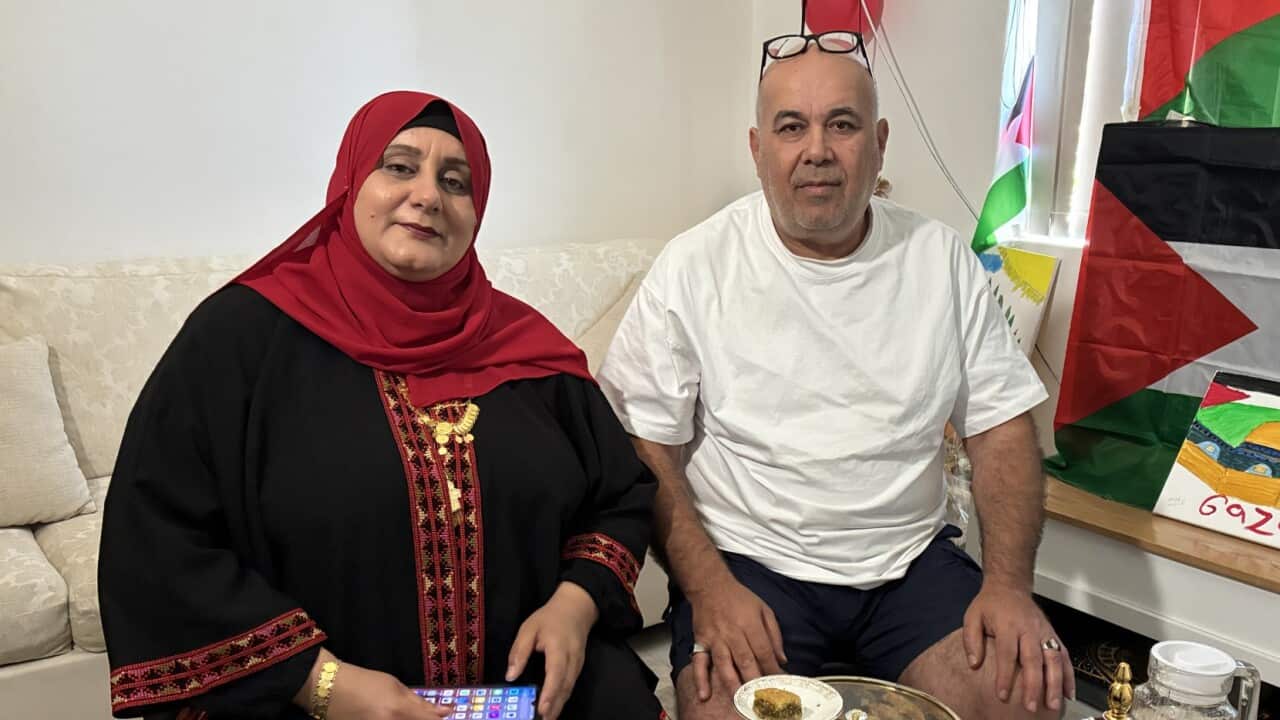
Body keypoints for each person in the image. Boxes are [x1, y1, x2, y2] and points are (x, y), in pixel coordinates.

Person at [99, 91, 665, 720]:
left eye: (456, 181)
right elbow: (156, 537)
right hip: (305, 699)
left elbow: (620, 495)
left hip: (527, 694)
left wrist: (575, 604)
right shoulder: (240, 339)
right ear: (350, 182)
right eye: (398, 166)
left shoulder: (526, 348)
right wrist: (322, 683)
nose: (427, 195)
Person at [598, 32, 1074, 720]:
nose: (816, 149)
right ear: (759, 149)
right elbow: (647, 451)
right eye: (791, 127)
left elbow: (1001, 431)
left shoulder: (939, 259)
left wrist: (1008, 586)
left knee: (1026, 697)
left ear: (878, 144)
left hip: (912, 566)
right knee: (725, 714)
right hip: (751, 567)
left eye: (841, 125)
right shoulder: (695, 266)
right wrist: (708, 591)